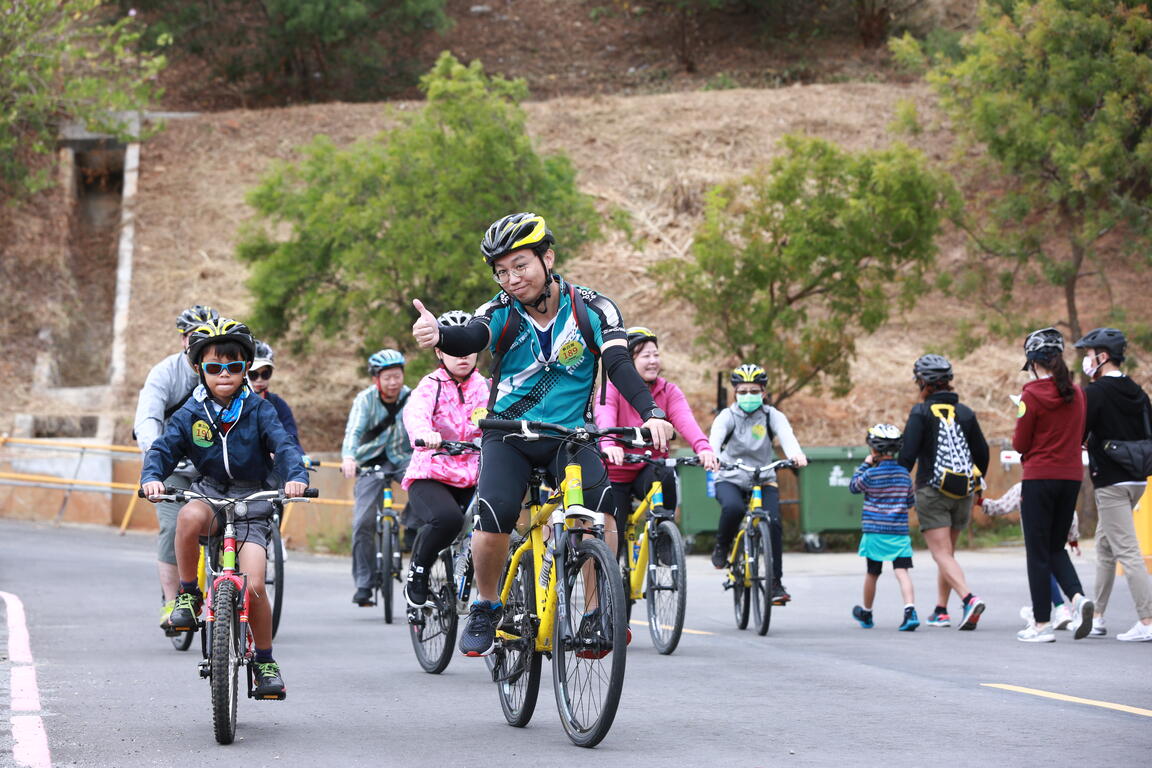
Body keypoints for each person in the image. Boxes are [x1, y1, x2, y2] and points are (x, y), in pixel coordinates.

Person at [411, 211, 674, 657]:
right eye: (502, 271)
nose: (512, 279)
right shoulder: (499, 311)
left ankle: (595, 613)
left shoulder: (593, 308)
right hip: (506, 435)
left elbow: (618, 364)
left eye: (521, 266)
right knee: (494, 513)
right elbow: (472, 335)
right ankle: (486, 603)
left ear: (547, 258)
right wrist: (442, 333)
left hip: (570, 436)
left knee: (602, 512)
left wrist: (651, 412)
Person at [141, 318, 308, 698]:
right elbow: (164, 448)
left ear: (245, 368)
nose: (225, 375)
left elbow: (284, 446)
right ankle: (187, 594)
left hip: (253, 500)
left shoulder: (259, 409)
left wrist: (295, 476)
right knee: (188, 516)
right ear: (200, 369)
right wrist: (152, 477)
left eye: (234, 366)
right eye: (214, 367)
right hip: (211, 491)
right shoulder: (190, 412)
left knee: (253, 588)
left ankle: (264, 661)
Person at [595, 326, 719, 555]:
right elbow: (604, 418)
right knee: (615, 536)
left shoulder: (668, 391)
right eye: (645, 356)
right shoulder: (611, 389)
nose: (653, 361)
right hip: (616, 472)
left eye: (656, 354)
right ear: (629, 362)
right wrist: (609, 445)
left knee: (666, 476)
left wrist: (703, 448)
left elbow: (685, 421)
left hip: (649, 468)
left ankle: (663, 538)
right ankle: (614, 582)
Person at [134, 304, 217, 633]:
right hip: (173, 463)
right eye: (191, 336)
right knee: (172, 528)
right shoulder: (165, 373)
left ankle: (226, 596)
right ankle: (173, 601)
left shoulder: (222, 370)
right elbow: (148, 418)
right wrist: (156, 457)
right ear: (183, 340)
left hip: (214, 466)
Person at [401, 310, 489, 607]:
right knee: (447, 520)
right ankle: (418, 572)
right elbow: (415, 414)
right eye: (454, 350)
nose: (463, 355)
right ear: (439, 350)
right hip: (432, 474)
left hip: (475, 475)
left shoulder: (487, 388)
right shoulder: (430, 385)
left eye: (469, 349)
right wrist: (425, 434)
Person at [1012, 327, 1094, 642]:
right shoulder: (1078, 393)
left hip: (1039, 477)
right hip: (1071, 476)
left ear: (1033, 362)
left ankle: (1042, 625)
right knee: (1055, 547)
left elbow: (1020, 443)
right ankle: (1078, 599)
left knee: (1037, 552)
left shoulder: (1030, 394)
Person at [898, 354, 990, 631]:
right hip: (962, 491)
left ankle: (968, 598)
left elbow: (907, 456)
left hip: (932, 489)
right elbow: (982, 453)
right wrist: (976, 486)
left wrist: (901, 487)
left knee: (940, 553)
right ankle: (941, 610)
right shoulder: (965, 412)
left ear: (924, 383)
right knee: (948, 552)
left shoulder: (921, 412)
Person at [1074, 327, 1152, 642]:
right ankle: (1098, 618)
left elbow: (1078, 430)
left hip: (1111, 482)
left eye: (1089, 355)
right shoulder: (1138, 391)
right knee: (1105, 545)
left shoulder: (1094, 393)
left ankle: (1147, 619)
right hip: (1137, 479)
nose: (1086, 361)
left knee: (1127, 550)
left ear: (1103, 357)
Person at [709, 364, 808, 605]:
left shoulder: (772, 415)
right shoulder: (727, 416)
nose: (748, 396)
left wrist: (796, 455)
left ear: (763, 392)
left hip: (763, 477)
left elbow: (787, 437)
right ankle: (722, 546)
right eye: (742, 391)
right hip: (731, 476)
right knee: (733, 509)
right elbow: (715, 438)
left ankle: (775, 584)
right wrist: (712, 456)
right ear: (735, 392)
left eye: (754, 391)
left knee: (773, 522)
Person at [341, 348, 413, 606]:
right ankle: (364, 583)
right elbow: (354, 430)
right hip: (369, 461)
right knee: (362, 522)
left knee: (423, 482)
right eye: (387, 377)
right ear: (376, 379)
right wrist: (349, 457)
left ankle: (410, 528)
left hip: (402, 458)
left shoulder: (412, 397)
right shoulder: (365, 400)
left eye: (397, 376)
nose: (393, 382)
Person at [981, 481, 1079, 630]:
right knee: (1054, 565)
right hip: (1058, 538)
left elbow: (1001, 506)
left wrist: (981, 502)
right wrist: (1073, 539)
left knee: (1042, 567)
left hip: (1036, 536)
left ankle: (1059, 609)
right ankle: (1072, 603)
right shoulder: (1061, 483)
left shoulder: (1024, 487)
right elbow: (1072, 515)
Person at [849, 424, 919, 631]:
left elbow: (854, 486)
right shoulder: (904, 474)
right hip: (898, 533)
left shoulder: (871, 474)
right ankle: (910, 611)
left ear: (873, 450)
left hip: (875, 532)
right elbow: (909, 502)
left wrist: (864, 465)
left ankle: (867, 613)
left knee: (873, 572)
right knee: (902, 571)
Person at [248, 340, 305, 455]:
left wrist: (299, 455)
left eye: (265, 374)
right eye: (253, 374)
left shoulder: (278, 404)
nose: (259, 379)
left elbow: (291, 437)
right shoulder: (232, 404)